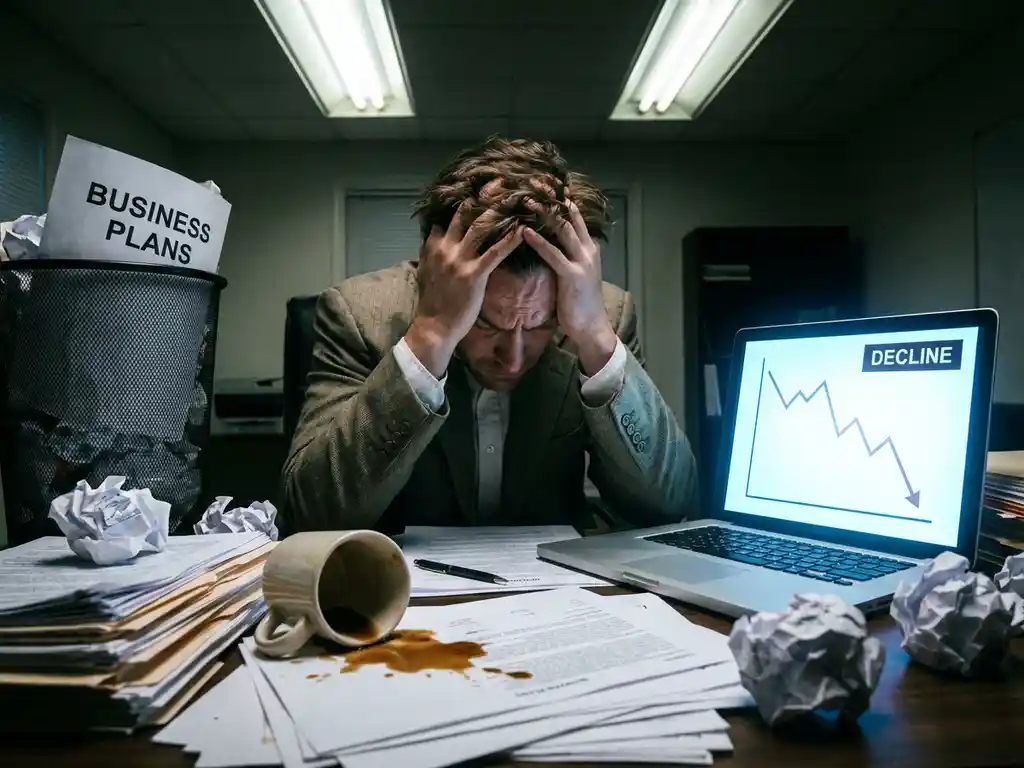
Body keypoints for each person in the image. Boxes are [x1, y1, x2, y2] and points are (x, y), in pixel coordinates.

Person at [282, 137, 697, 532]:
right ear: (433, 270)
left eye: (539, 325)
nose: (513, 358)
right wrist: (431, 335)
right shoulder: (359, 314)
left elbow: (671, 503)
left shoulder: (604, 317)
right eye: (484, 323)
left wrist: (595, 338)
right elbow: (312, 515)